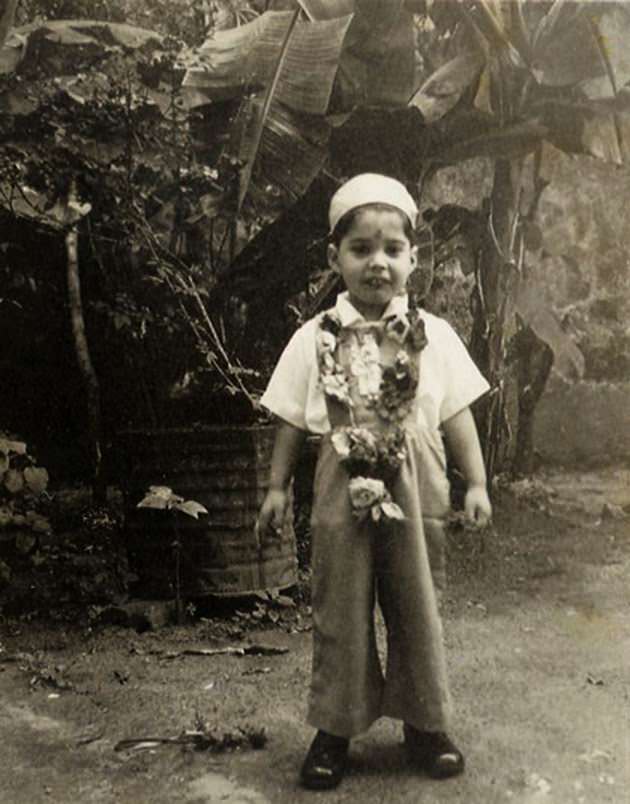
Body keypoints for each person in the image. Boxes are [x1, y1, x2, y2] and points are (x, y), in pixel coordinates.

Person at [257, 173, 492, 791]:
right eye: (361, 249)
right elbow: (286, 418)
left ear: (415, 257)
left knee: (416, 600)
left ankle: (426, 723)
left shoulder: (432, 334)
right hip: (341, 480)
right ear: (334, 258)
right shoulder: (314, 339)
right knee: (341, 604)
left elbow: (457, 414)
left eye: (393, 249)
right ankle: (335, 728)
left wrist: (477, 484)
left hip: (417, 481)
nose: (378, 263)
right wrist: (278, 486)